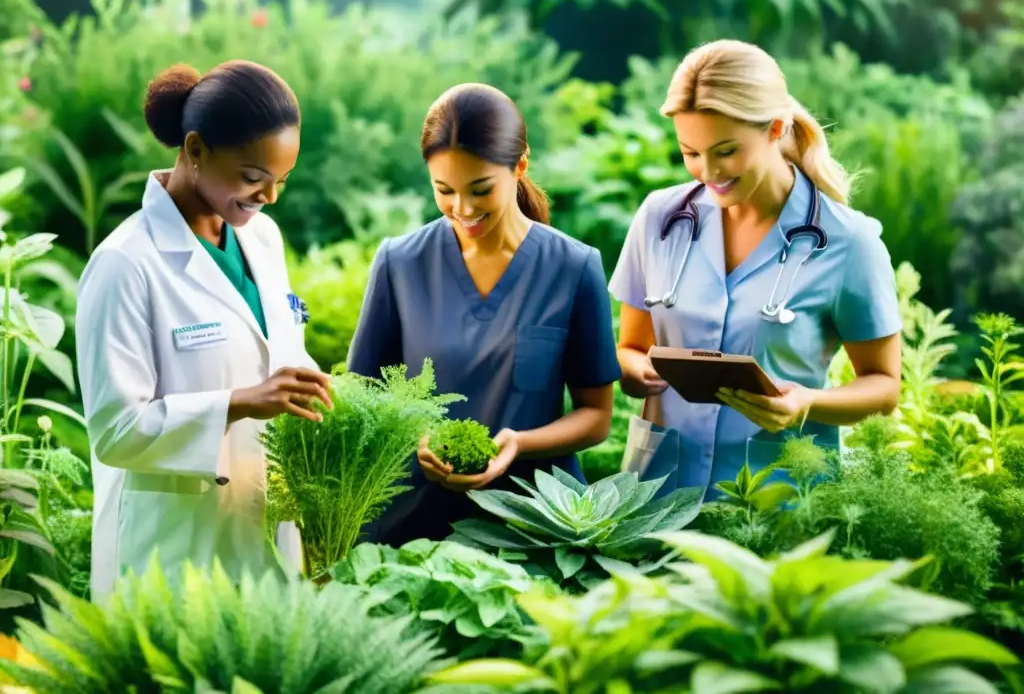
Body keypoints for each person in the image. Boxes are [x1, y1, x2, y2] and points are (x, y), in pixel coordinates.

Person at [76, 60, 332, 601]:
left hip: (261, 521)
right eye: (252, 178)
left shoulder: (261, 238)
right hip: (170, 544)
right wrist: (238, 402)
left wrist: (315, 386)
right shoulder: (126, 263)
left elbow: (276, 353)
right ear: (195, 150)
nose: (270, 197)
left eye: (281, 180)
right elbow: (115, 430)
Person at [609, 39, 902, 498]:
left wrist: (806, 404)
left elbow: (884, 388)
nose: (707, 172)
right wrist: (633, 370)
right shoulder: (659, 219)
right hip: (656, 495)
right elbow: (631, 346)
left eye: (726, 151)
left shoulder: (849, 242)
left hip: (778, 505)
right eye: (690, 153)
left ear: (776, 128)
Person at [346, 82, 621, 545]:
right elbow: (363, 399)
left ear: (520, 166)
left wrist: (517, 443)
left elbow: (595, 417)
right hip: (410, 528)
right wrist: (415, 442)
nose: (463, 209)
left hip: (531, 524)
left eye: (480, 189)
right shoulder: (400, 263)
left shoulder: (574, 267)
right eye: (444, 190)